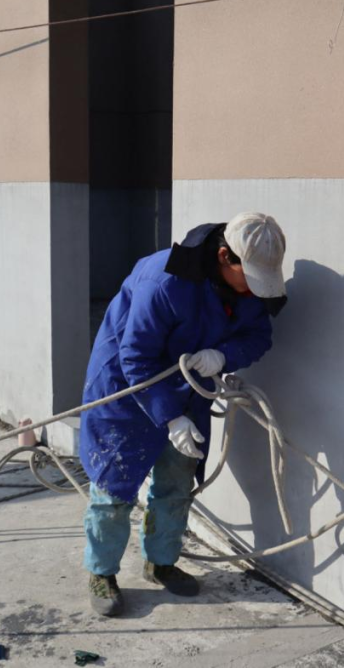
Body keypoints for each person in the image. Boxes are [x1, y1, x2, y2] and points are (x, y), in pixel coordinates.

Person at [78, 212, 287, 616]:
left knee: (175, 481)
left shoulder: (248, 292)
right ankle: (101, 571)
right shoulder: (165, 281)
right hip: (127, 389)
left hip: (190, 391)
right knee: (114, 487)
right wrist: (170, 418)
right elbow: (135, 356)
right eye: (249, 278)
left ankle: (161, 561)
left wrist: (224, 354)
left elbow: (259, 336)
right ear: (225, 256)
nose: (253, 291)